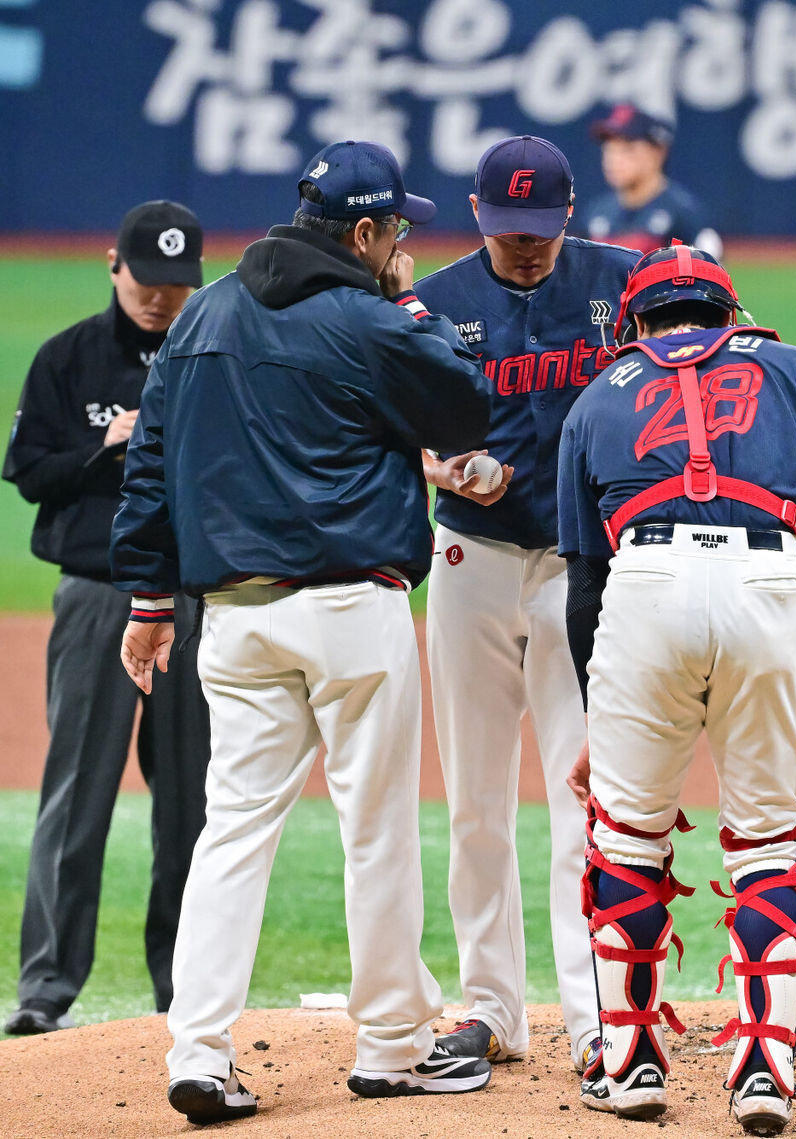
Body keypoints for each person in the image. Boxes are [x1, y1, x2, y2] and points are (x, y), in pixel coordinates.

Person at [110, 140, 495, 1126]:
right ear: (363, 233)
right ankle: (392, 1049)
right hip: (348, 615)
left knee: (231, 830)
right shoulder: (369, 316)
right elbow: (464, 401)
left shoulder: (204, 311)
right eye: (396, 232)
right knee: (376, 832)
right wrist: (408, 301)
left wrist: (150, 600)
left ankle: (196, 1053)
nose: (403, 246)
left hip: (232, 620)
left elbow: (148, 463)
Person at [557, 244, 796, 1129]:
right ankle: (763, 1073)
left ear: (636, 324)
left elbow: (587, 585)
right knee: (767, 839)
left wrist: (603, 714)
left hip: (644, 588)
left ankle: (629, 1064)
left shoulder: (599, 395)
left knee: (628, 836)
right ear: (729, 313)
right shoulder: (791, 365)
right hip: (768, 585)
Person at [407, 135, 640, 1077]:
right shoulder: (432, 301)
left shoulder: (624, 282)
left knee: (584, 801)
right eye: (508, 233)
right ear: (477, 217)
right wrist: (437, 462)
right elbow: (387, 417)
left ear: (570, 212)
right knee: (476, 804)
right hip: (470, 556)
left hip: (580, 572)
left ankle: (594, 1020)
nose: (526, 248)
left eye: (539, 230)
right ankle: (494, 1009)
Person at [2, 201, 211, 1035]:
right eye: (148, 280)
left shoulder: (211, 355)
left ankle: (185, 987)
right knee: (77, 792)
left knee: (192, 803)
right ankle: (46, 986)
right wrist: (105, 449)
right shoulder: (69, 359)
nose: (161, 298)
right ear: (114, 267)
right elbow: (26, 469)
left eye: (177, 284)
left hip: (191, 602)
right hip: (95, 593)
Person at [583, 103, 723, 259]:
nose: (613, 159)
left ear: (658, 153)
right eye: (609, 149)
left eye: (628, 149)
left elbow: (714, 277)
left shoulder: (684, 214)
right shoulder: (597, 212)